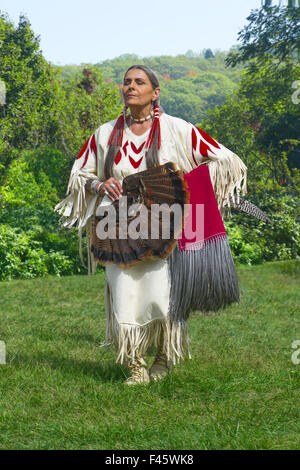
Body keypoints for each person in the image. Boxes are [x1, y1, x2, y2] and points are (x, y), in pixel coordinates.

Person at [55, 65, 247, 385]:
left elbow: (224, 159)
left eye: (139, 82)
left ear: (155, 93)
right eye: (127, 81)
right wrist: (99, 186)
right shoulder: (104, 135)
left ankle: (162, 357)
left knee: (160, 293)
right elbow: (80, 175)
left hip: (162, 225)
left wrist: (185, 189)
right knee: (123, 291)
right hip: (116, 225)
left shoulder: (178, 129)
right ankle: (135, 363)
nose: (130, 86)